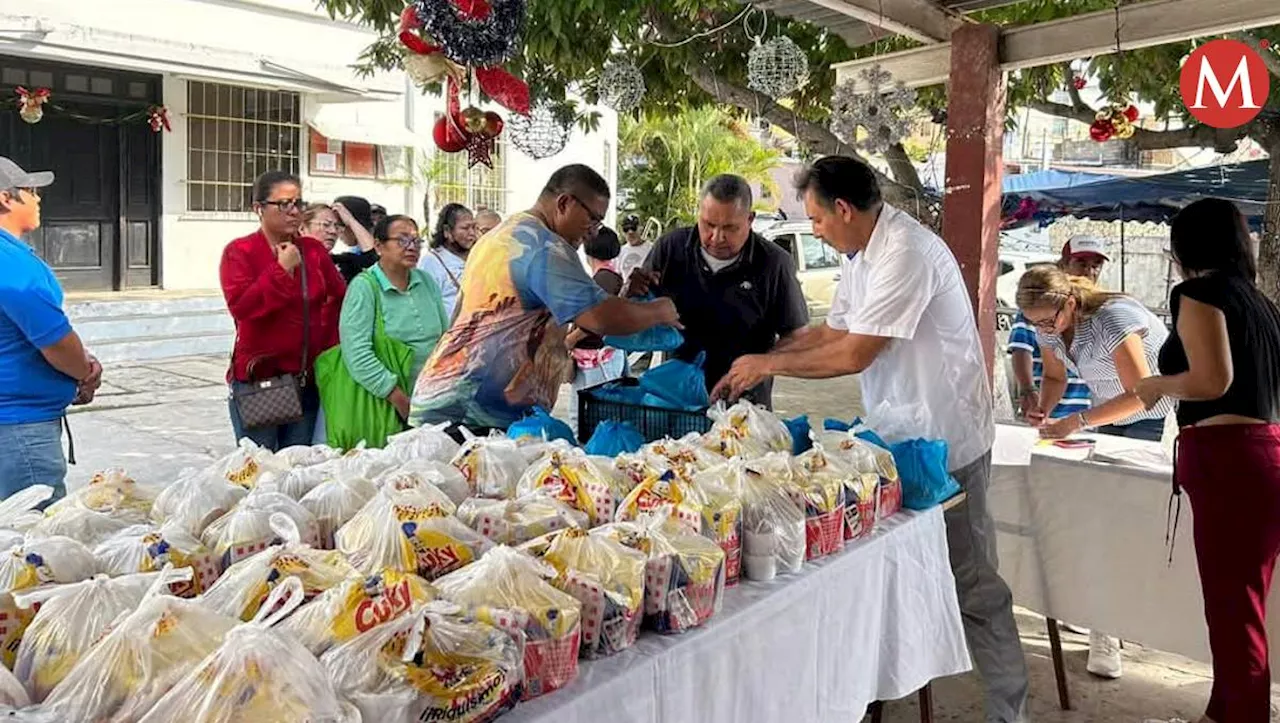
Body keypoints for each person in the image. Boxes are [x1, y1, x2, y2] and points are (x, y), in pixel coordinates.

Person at [712, 156, 1029, 723]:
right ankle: (875, 698)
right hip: (892, 439)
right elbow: (833, 331)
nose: (813, 231)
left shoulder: (906, 250)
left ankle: (1011, 712)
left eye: (815, 220)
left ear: (843, 209)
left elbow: (856, 353)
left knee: (974, 585)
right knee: (880, 576)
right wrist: (765, 355)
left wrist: (765, 365)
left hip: (947, 440)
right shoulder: (861, 255)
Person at [1134, 198, 1280, 723]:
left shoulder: (1196, 293)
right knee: (1239, 607)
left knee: (1235, 614)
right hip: (1263, 454)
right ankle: (1222, 713)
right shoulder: (1260, 304)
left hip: (1231, 463)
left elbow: (1210, 380)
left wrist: (1157, 384)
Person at [409, 164, 680, 439]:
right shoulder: (543, 245)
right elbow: (599, 317)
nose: (593, 233)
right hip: (468, 415)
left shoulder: (509, 233)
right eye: (593, 220)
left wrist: (626, 300)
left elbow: (586, 323)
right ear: (564, 203)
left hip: (462, 407)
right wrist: (659, 310)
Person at [628, 175, 809, 409]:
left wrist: (763, 364)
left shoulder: (774, 264)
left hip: (744, 408)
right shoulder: (670, 248)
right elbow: (636, 314)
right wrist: (630, 294)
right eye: (708, 224)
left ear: (750, 219)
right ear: (699, 215)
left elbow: (797, 336)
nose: (717, 238)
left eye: (730, 228)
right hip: (675, 402)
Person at [220, 170, 345, 451]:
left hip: (306, 379)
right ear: (259, 209)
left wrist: (328, 351)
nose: (293, 211)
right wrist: (281, 269)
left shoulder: (313, 251)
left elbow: (340, 299)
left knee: (298, 470)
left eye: (298, 203)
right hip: (263, 381)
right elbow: (243, 308)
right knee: (261, 472)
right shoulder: (240, 252)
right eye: (284, 204)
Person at [0, 157, 101, 500]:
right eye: (31, 191)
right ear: (5, 198)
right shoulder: (10, 263)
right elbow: (56, 342)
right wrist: (85, 370)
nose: (39, 199)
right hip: (20, 429)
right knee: (32, 543)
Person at [1017, 266, 1173, 441]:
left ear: (1070, 304)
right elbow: (1054, 377)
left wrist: (1076, 422)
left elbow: (1141, 394)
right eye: (1034, 323)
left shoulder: (1113, 319)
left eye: (1047, 321)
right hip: (1111, 413)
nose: (1042, 330)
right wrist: (1043, 410)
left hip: (1156, 414)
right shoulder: (1048, 328)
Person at [337, 214, 449, 431]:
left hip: (429, 400)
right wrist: (398, 398)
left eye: (416, 241)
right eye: (403, 240)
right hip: (384, 404)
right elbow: (357, 353)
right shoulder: (365, 287)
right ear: (379, 246)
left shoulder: (426, 282)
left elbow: (444, 338)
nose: (412, 247)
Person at [1009, 236, 1109, 421]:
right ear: (1063, 265)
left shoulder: (1100, 313)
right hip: (1043, 406)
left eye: (1096, 265)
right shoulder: (1039, 308)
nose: (1088, 271)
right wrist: (1028, 390)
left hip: (1082, 411)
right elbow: (1021, 349)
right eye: (1080, 263)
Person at [567, 226, 627, 432]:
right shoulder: (609, 276)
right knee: (585, 413)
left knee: (592, 415)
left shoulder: (604, 279)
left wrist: (570, 339)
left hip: (598, 358)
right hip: (598, 356)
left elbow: (598, 318)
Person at [418, 203, 477, 320]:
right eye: (465, 228)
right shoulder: (432, 261)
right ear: (447, 231)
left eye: (474, 227)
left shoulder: (477, 256)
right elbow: (425, 304)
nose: (472, 233)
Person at [330, 195, 379, 282]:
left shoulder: (350, 261)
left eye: (341, 225)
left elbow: (373, 259)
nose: (335, 231)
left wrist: (350, 221)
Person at [616, 214, 651, 280]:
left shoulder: (651, 249)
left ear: (641, 228)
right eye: (626, 229)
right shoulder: (620, 252)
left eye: (633, 228)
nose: (630, 232)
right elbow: (618, 276)